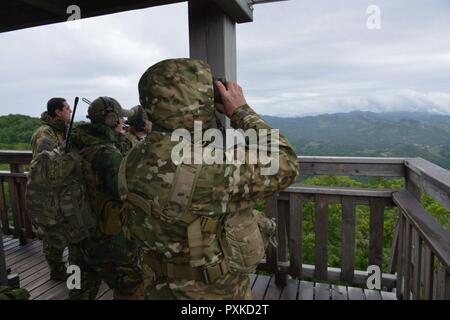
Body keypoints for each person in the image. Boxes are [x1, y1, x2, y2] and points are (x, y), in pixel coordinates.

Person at [120, 58, 299, 299]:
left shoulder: (131, 157)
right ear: (199, 104)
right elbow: (286, 163)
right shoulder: (208, 167)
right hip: (211, 292)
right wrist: (241, 111)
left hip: (156, 286)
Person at [68, 97, 145, 299]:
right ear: (112, 120)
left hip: (77, 240)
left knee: (76, 289)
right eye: (120, 118)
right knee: (133, 289)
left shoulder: (72, 145)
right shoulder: (108, 155)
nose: (123, 122)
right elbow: (127, 193)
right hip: (109, 243)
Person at [30, 97, 72, 280]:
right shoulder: (45, 134)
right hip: (48, 191)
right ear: (58, 112)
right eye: (67, 108)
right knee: (52, 232)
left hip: (63, 189)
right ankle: (56, 270)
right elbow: (45, 163)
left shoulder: (63, 131)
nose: (70, 111)